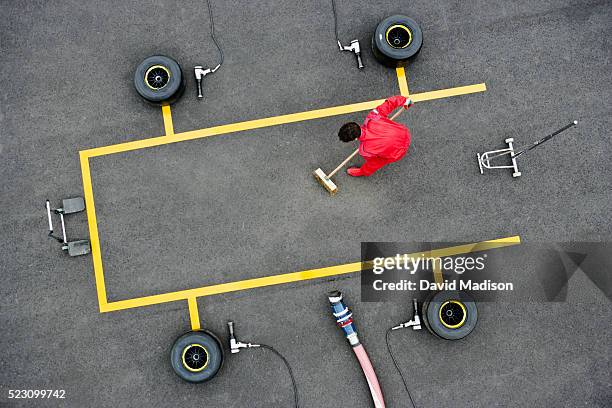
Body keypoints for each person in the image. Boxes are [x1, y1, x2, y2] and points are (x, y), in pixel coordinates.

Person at [338, 95, 412, 176]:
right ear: (357, 124)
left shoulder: (365, 150)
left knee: (378, 161)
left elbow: (374, 164)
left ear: (355, 139)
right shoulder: (373, 117)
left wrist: (365, 171)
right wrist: (405, 101)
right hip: (404, 133)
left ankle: (362, 172)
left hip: (398, 153)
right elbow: (389, 103)